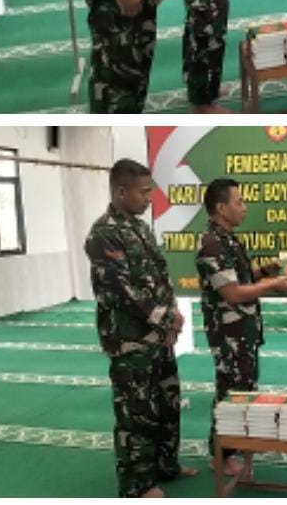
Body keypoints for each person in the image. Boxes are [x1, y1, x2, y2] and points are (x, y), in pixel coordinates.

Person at [84, 159, 196, 497]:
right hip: (130, 341)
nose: (150, 198)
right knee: (136, 414)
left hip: (159, 337)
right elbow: (123, 291)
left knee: (166, 403)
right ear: (121, 192)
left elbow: (161, 277)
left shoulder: (141, 228)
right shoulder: (104, 234)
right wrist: (166, 319)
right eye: (144, 192)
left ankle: (165, 465)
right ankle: (137, 485)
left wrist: (173, 315)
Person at [196, 178, 287, 474]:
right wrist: (272, 285)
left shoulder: (229, 240)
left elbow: (242, 277)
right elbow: (233, 293)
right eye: (239, 202)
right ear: (221, 208)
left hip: (243, 331)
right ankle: (220, 456)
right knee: (230, 393)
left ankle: (235, 446)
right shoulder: (211, 244)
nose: (244, 207)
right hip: (229, 335)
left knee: (244, 388)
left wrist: (265, 271)